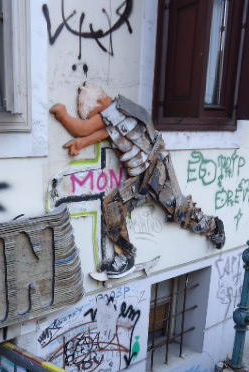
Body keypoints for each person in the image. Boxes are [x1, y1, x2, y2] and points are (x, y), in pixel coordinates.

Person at [50, 84, 225, 278]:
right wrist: (82, 143)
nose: (92, 119)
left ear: (98, 103)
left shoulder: (114, 112)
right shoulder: (122, 112)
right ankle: (126, 256)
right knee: (113, 206)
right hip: (141, 177)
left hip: (156, 171)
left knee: (181, 211)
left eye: (91, 114)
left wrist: (62, 114)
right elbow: (107, 133)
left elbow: (82, 129)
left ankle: (213, 227)